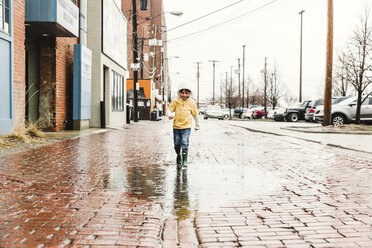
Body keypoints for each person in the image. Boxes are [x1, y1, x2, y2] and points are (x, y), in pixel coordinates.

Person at [168, 83, 200, 168]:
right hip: (176, 127)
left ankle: (185, 160)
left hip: (187, 127)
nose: (184, 95)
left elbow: (195, 114)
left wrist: (197, 125)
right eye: (182, 93)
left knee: (185, 142)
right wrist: (170, 114)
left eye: (187, 93)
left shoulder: (192, 103)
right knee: (177, 143)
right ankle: (178, 155)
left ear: (190, 93)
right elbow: (169, 109)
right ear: (179, 93)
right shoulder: (176, 101)